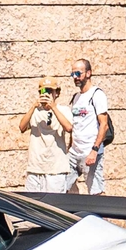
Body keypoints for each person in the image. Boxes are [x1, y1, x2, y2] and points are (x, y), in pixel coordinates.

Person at [62, 62, 111, 195]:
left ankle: (105, 216)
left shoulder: (97, 94)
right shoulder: (76, 97)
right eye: (73, 74)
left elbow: (104, 125)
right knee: (60, 188)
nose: (75, 77)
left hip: (90, 152)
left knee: (96, 193)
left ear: (88, 73)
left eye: (78, 73)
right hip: (74, 153)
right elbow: (76, 126)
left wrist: (94, 150)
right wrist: (70, 147)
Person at [20, 83, 78, 193]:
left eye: (50, 91)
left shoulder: (63, 110)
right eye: (43, 91)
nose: (46, 94)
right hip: (35, 168)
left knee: (55, 204)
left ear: (57, 93)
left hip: (56, 169)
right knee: (33, 204)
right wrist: (33, 106)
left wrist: (53, 107)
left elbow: (69, 127)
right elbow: (22, 127)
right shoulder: (35, 111)